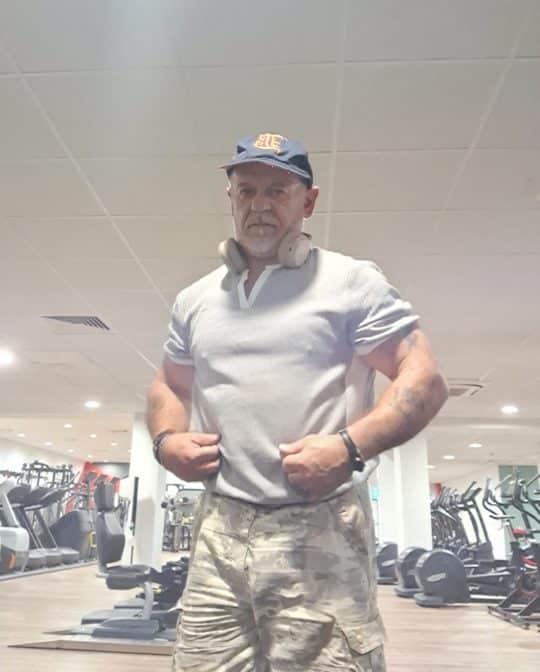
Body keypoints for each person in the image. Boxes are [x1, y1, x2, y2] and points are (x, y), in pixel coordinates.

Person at [146, 132, 448, 672]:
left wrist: (349, 447)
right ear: (231, 199)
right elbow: (169, 384)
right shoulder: (196, 299)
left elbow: (423, 379)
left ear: (307, 201)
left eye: (277, 191)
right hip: (219, 526)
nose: (260, 205)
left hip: (321, 523)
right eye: (247, 190)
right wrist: (166, 441)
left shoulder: (351, 282)